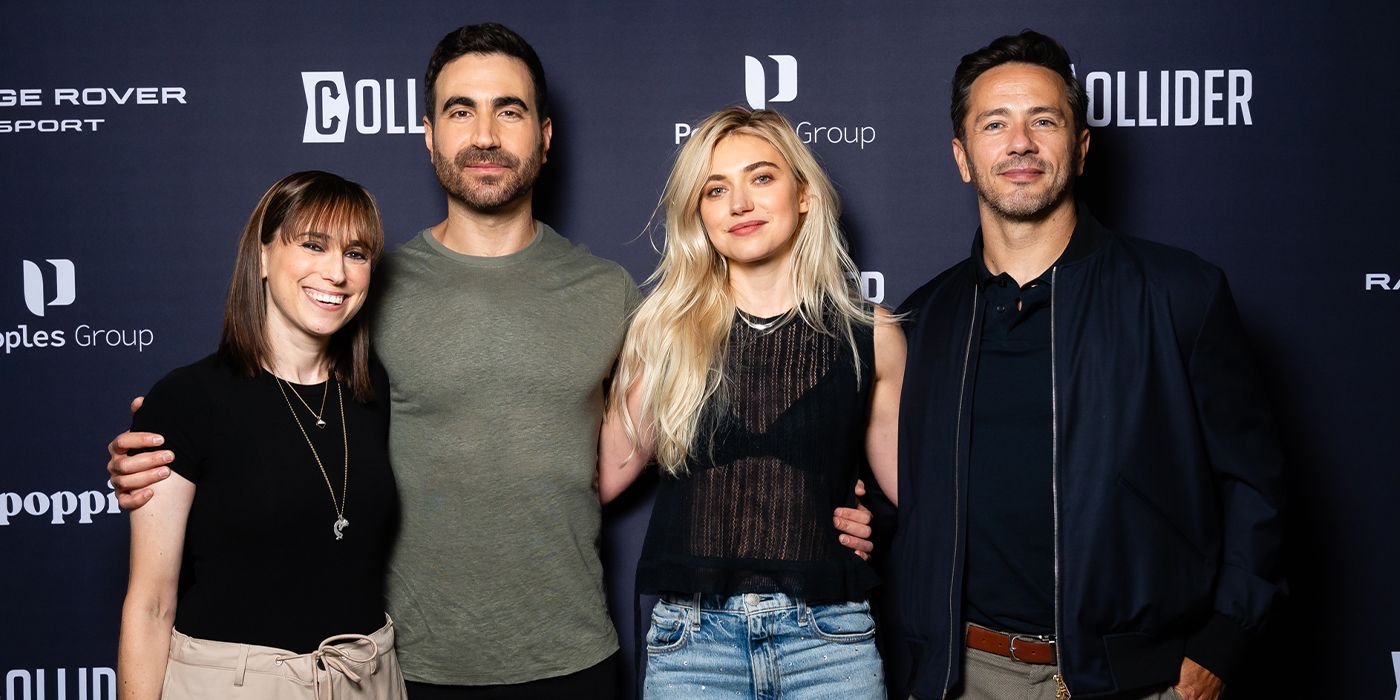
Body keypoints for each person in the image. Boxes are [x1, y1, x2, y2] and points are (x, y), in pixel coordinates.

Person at [107, 23, 876, 699]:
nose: (484, 134)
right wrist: (167, 441)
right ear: (428, 136)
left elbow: (703, 404)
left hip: (574, 655)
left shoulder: (612, 294)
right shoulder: (368, 287)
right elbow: (274, 393)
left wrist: (847, 501)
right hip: (406, 664)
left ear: (544, 137)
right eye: (459, 111)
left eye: (508, 111)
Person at [889, 31, 1285, 700]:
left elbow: (1254, 485)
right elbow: (905, 494)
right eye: (995, 124)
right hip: (967, 675)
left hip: (1140, 680)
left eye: (1044, 120)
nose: (1019, 142)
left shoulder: (1179, 293)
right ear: (962, 156)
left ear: (1080, 145)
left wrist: (1220, 645)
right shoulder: (922, 320)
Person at [595, 106, 906, 698]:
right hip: (693, 649)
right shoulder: (663, 332)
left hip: (830, 641)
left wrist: (876, 523)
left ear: (805, 194)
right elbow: (602, 477)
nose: (740, 203)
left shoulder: (873, 335)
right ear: (699, 214)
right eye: (716, 189)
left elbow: (915, 491)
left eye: (761, 177)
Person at [117, 171, 405, 699]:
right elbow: (151, 603)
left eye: (356, 253)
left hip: (368, 677)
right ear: (263, 255)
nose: (336, 273)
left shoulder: (375, 392)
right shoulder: (185, 400)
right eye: (313, 245)